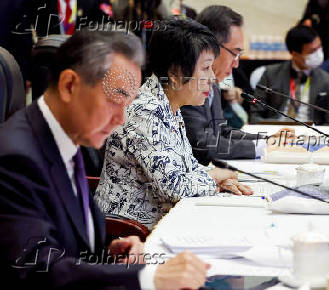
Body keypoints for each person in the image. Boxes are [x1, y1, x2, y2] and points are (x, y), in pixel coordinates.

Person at [0, 30, 210, 290]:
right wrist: (145, 278)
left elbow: (69, 245)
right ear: (69, 85)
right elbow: (37, 270)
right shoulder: (16, 159)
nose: (122, 118)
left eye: (128, 102)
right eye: (114, 99)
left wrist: (110, 254)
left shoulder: (66, 136)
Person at [95, 18, 253, 231]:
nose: (212, 78)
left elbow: (186, 168)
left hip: (166, 221)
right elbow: (176, 188)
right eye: (206, 68)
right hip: (131, 234)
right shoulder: (145, 111)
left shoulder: (168, 105)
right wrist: (215, 176)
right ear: (176, 73)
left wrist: (216, 179)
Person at [180, 5, 279, 166]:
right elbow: (204, 145)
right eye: (235, 53)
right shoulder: (187, 82)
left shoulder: (213, 80)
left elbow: (221, 130)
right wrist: (261, 147)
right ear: (211, 46)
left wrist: (267, 142)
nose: (236, 64)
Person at [252, 25, 329, 125]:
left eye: (319, 47)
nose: (318, 54)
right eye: (312, 51)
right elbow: (255, 111)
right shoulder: (270, 74)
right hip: (275, 130)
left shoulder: (328, 81)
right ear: (295, 54)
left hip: (311, 133)